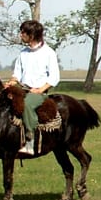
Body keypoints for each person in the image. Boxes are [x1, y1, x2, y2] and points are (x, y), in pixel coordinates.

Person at [4, 20, 61, 155]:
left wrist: (40, 89)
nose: (20, 35)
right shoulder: (23, 53)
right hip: (22, 89)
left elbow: (54, 77)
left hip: (39, 92)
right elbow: (17, 74)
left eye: (23, 32)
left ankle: (30, 141)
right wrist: (11, 82)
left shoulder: (48, 53)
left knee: (27, 104)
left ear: (33, 34)